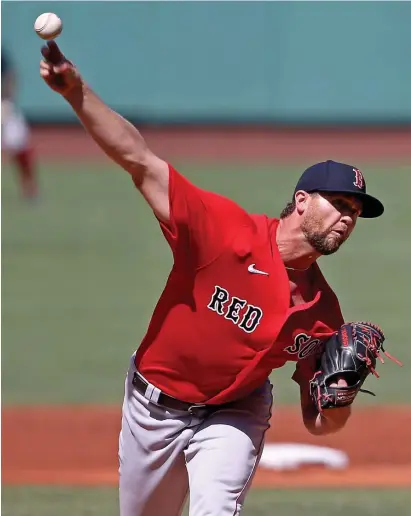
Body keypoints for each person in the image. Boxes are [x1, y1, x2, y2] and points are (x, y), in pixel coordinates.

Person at [39, 41, 384, 516]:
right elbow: (138, 160)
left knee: (215, 509)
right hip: (153, 407)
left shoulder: (322, 311)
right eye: (339, 205)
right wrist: (76, 92)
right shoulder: (223, 231)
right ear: (302, 201)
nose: (348, 218)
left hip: (235, 412)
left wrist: (340, 398)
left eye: (355, 213)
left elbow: (319, 422)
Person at [2, 49, 39, 200]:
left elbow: (10, 76)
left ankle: (30, 189)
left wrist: (7, 101)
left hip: (2, 104)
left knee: (19, 145)